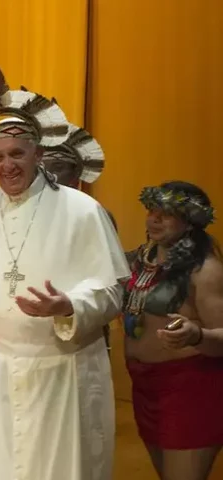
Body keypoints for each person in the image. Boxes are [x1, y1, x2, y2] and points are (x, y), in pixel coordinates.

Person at [0, 57, 130, 480]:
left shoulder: (82, 211)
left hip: (61, 371)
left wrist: (69, 305)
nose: (7, 165)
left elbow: (112, 292)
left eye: (17, 153)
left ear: (38, 153)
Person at [123, 181, 223, 480]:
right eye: (151, 211)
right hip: (144, 386)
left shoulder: (205, 270)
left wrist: (197, 335)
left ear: (190, 221)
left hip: (191, 390)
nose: (154, 219)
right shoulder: (141, 261)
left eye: (166, 214)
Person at [41, 126, 116, 352]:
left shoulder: (92, 214)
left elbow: (108, 283)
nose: (49, 174)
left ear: (76, 174)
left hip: (79, 323)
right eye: (42, 167)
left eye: (58, 167)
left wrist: (73, 305)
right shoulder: (24, 212)